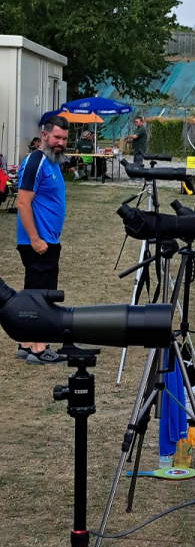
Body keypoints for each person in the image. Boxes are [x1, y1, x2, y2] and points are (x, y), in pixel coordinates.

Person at [15, 116, 70, 364]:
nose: (61, 142)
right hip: (38, 243)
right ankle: (39, 349)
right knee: (42, 296)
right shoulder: (36, 160)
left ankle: (26, 343)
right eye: (57, 137)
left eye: (64, 138)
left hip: (47, 241)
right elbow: (22, 202)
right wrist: (35, 239)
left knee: (32, 293)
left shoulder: (52, 162)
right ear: (45, 135)